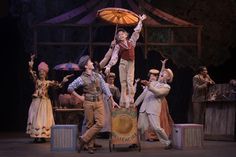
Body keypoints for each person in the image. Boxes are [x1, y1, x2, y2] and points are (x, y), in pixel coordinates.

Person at [67, 55, 118, 154]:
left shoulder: (97, 75)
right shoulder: (81, 78)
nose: (92, 63)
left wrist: (112, 100)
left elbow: (105, 88)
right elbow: (70, 88)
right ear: (86, 66)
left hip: (99, 102)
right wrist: (79, 97)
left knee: (100, 123)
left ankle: (83, 139)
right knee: (90, 124)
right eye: (90, 62)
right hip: (88, 103)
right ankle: (89, 146)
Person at [104, 14, 147, 108]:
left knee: (129, 81)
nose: (121, 35)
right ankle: (123, 101)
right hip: (123, 63)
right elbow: (114, 57)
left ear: (126, 35)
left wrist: (140, 21)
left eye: (122, 34)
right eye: (119, 35)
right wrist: (109, 66)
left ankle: (131, 99)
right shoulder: (118, 46)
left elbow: (136, 32)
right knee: (123, 82)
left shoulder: (131, 42)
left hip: (131, 63)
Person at [26, 54, 71, 143]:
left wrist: (63, 80)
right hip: (37, 102)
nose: (41, 73)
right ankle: (36, 136)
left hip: (45, 102)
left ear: (46, 73)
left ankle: (42, 136)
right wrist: (31, 61)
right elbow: (31, 72)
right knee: (36, 118)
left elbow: (58, 85)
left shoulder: (48, 82)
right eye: (40, 72)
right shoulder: (37, 81)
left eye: (43, 72)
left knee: (44, 118)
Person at [135, 59, 174, 149]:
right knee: (139, 127)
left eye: (164, 74)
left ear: (168, 78)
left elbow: (158, 93)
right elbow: (142, 95)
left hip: (153, 108)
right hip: (144, 108)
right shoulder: (153, 83)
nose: (161, 74)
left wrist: (149, 86)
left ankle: (167, 142)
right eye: (162, 73)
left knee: (156, 128)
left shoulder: (166, 87)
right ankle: (135, 143)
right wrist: (135, 104)